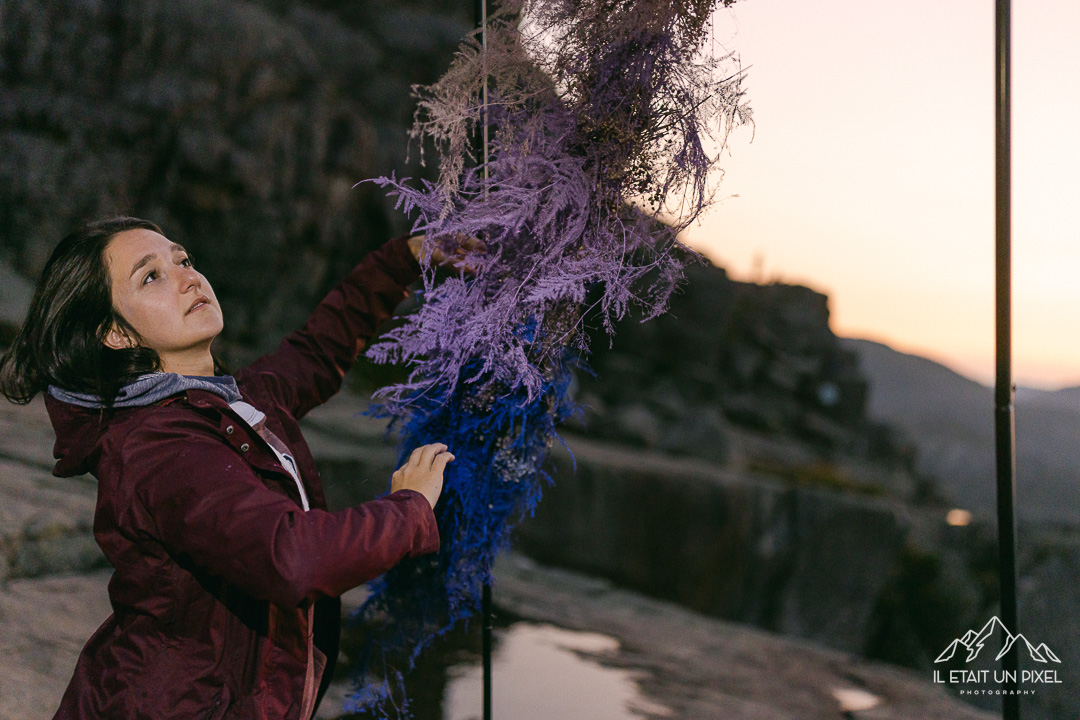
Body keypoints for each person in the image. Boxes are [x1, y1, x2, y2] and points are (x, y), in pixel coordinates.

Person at [0, 216, 465, 719]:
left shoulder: (228, 400)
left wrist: (406, 258)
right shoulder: (158, 449)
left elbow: (316, 350)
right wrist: (408, 508)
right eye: (150, 276)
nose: (187, 277)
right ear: (115, 335)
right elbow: (290, 557)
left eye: (183, 260)